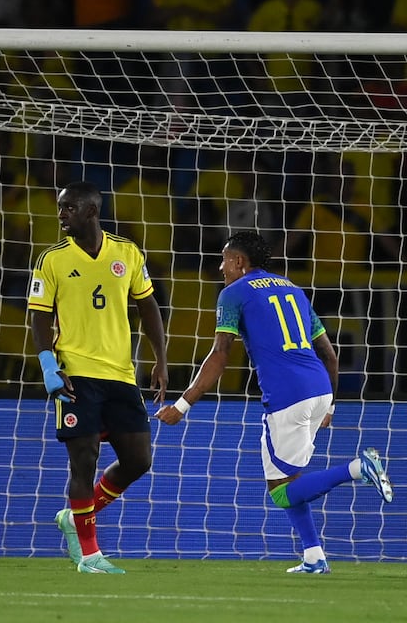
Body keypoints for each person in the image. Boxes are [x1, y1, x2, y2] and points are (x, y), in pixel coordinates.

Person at [156, 231, 393, 573]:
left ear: (239, 262)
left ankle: (357, 469)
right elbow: (330, 354)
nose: (221, 267)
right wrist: (329, 406)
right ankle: (314, 557)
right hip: (319, 390)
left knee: (280, 492)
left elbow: (220, 356)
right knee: (290, 479)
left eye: (225, 259)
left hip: (287, 396)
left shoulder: (233, 294)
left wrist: (182, 404)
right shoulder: (293, 290)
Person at [27, 181, 168, 574]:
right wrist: (48, 366)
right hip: (76, 374)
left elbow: (148, 305)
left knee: (138, 460)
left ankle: (75, 517)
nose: (61, 215)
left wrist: (160, 357)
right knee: (84, 460)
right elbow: (39, 315)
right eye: (59, 207)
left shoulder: (126, 252)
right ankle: (90, 555)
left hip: (121, 374)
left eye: (68, 208)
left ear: (91, 211)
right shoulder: (51, 259)